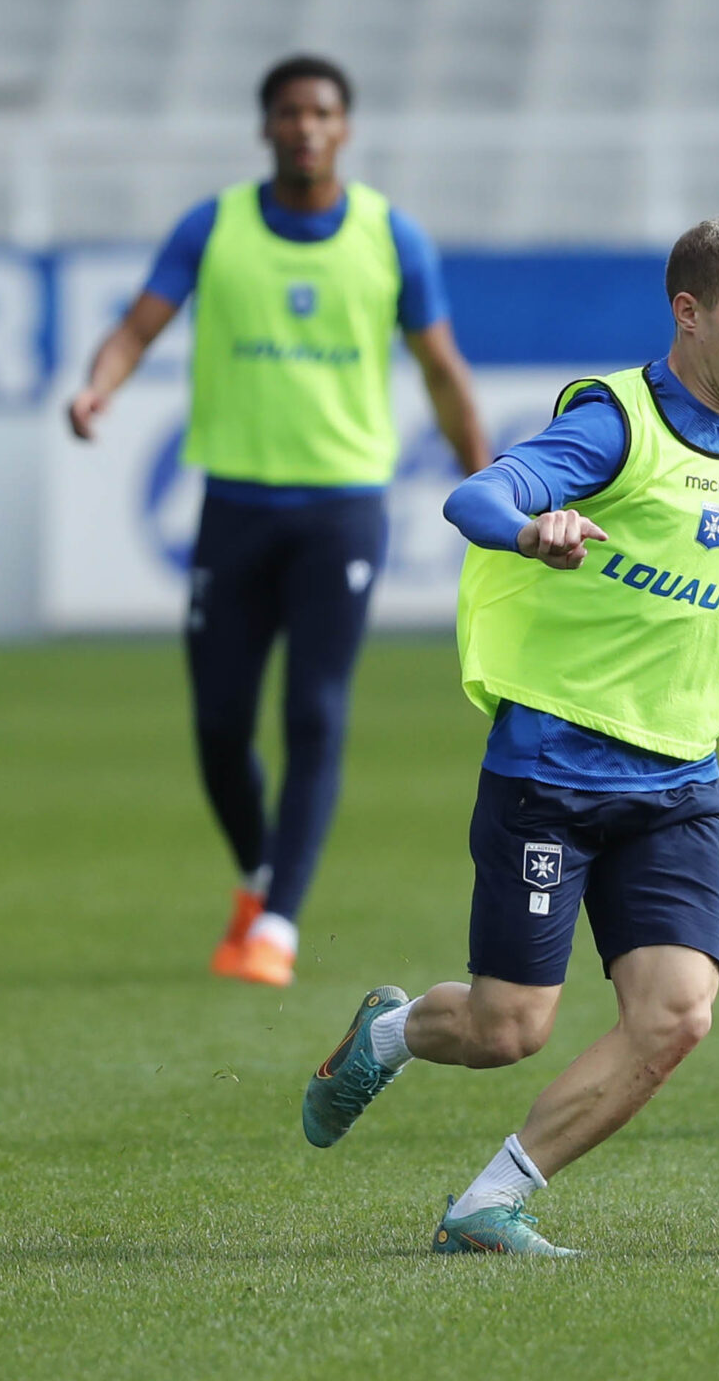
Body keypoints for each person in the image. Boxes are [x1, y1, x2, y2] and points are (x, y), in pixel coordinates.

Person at [296, 216, 719, 1256]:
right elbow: (476, 494)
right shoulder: (614, 423)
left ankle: (487, 1206)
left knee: (676, 1015)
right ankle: (387, 1034)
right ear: (689, 313)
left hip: (679, 782)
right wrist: (531, 528)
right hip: (554, 768)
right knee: (507, 1029)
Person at [66, 54, 487, 988]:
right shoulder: (213, 227)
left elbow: (441, 369)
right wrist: (99, 388)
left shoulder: (390, 237)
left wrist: (489, 488)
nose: (306, 127)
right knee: (220, 726)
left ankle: (279, 925)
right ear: (265, 127)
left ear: (345, 128)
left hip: (342, 508)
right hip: (235, 509)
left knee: (314, 711)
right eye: (290, 112)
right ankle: (261, 876)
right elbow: (136, 329)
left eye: (323, 113)